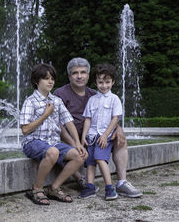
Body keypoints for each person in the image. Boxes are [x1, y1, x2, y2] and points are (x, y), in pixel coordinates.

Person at [54, 57, 143, 198]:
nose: (79, 76)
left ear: (89, 75)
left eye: (83, 72)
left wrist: (118, 129)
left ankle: (122, 182)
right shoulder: (60, 94)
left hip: (94, 135)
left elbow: (110, 117)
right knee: (77, 152)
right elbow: (57, 124)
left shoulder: (95, 94)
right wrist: (75, 143)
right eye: (75, 73)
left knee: (120, 139)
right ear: (69, 75)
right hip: (70, 137)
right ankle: (82, 180)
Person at [20, 63, 87, 205]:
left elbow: (69, 122)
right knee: (53, 152)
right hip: (33, 141)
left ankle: (54, 188)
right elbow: (25, 130)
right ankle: (37, 189)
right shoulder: (30, 102)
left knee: (80, 155)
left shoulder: (56, 100)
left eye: (52, 78)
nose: (50, 81)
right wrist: (45, 115)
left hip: (53, 143)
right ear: (36, 81)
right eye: (46, 78)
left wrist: (77, 143)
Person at [78, 64, 122, 200]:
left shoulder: (114, 99)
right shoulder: (92, 100)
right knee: (90, 162)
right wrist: (83, 136)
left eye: (107, 82)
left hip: (105, 136)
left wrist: (105, 135)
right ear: (96, 82)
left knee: (100, 158)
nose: (104, 85)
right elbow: (87, 119)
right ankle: (90, 187)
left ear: (113, 82)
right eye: (100, 82)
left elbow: (115, 119)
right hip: (91, 136)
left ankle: (110, 188)